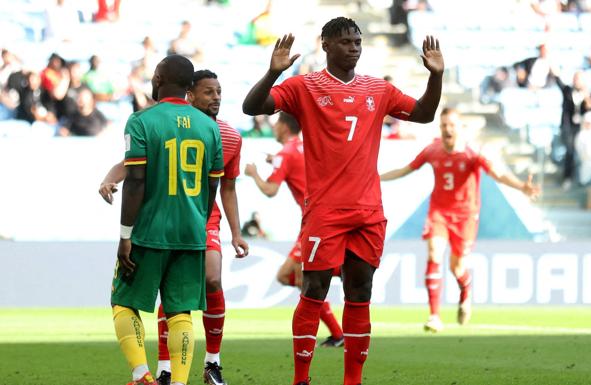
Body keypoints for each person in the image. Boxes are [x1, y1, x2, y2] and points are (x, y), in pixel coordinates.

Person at [242, 17, 444, 385]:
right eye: (346, 42)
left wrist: (436, 77)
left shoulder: (378, 89)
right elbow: (252, 106)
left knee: (360, 292)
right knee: (314, 289)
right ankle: (301, 378)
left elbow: (424, 114)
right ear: (326, 45)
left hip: (368, 211)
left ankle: (353, 380)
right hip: (325, 211)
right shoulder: (305, 86)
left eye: (357, 41)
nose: (354, 47)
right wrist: (272, 73)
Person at [100, 68, 248, 385]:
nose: (216, 97)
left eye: (219, 91)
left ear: (158, 80)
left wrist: (125, 234)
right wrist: (200, 220)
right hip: (192, 230)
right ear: (189, 90)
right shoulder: (210, 129)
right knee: (181, 312)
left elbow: (136, 178)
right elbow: (213, 188)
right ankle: (176, 378)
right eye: (210, 91)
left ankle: (142, 374)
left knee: (123, 301)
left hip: (151, 229)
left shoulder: (144, 120)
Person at [380, 107, 540, 332]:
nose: (447, 129)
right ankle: (434, 315)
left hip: (465, 217)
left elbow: (498, 175)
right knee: (434, 253)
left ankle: (466, 290)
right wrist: (376, 177)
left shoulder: (473, 153)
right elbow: (405, 170)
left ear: (460, 128)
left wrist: (521, 186)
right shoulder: (432, 150)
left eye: (451, 125)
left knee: (457, 268)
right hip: (439, 213)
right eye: (444, 125)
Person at [244, 112, 345, 347]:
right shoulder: (306, 147)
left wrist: (254, 173)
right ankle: (337, 331)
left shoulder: (285, 153)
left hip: (315, 220)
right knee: (287, 276)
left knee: (304, 277)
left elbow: (270, 190)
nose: (274, 128)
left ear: (284, 126)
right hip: (320, 218)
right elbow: (297, 165)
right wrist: (276, 160)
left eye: (276, 124)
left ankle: (334, 332)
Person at [550, 67, 591, 190]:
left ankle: (584, 180)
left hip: (582, 128)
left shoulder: (589, 93)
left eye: (579, 78)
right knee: (570, 151)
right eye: (575, 78)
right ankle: (567, 178)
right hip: (568, 127)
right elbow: (558, 81)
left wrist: (587, 100)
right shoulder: (567, 91)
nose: (576, 81)